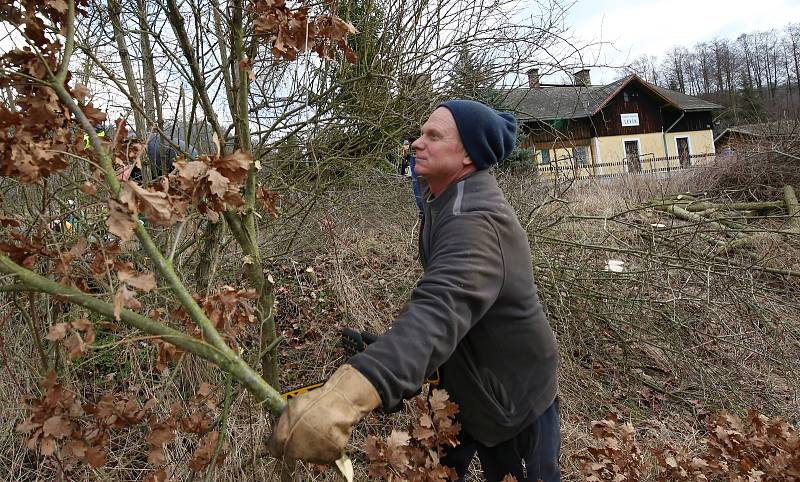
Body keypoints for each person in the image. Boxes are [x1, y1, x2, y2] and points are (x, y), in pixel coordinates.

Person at [268, 100, 560, 482]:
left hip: (512, 403)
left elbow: (437, 313)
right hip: (468, 387)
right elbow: (456, 312)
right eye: (420, 133)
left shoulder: (475, 222)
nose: (416, 143)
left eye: (433, 136)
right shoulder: (444, 200)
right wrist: (399, 358)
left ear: (469, 154)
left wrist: (352, 392)